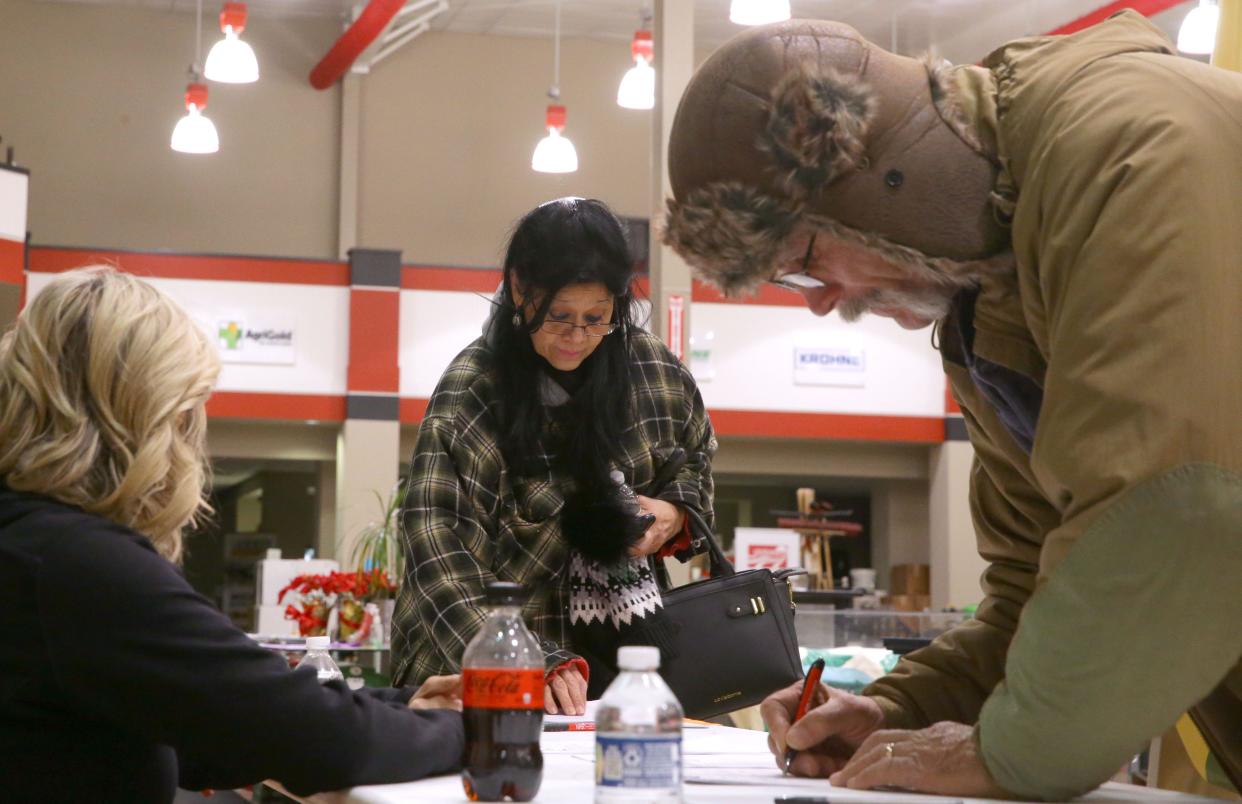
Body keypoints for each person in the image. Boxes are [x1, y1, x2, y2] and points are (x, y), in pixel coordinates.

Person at [662, 11, 1242, 801]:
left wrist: (1013, 753)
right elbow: (1040, 589)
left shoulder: (1134, 145)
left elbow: (1179, 508)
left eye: (802, 260)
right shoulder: (991, 302)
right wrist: (900, 708)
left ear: (883, 185)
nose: (823, 302)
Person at [0, 267, 465, 803]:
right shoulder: (76, 566)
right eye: (188, 409)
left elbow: (211, 719)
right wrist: (472, 730)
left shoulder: (31, 545)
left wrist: (403, 707)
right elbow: (305, 735)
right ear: (142, 415)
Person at [391, 197, 716, 712]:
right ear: (520, 290)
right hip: (483, 663)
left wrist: (672, 513)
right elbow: (439, 555)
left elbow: (695, 457)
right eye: (559, 315)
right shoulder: (473, 391)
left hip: (625, 662)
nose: (577, 337)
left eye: (597, 317)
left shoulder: (652, 370)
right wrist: (524, 661)